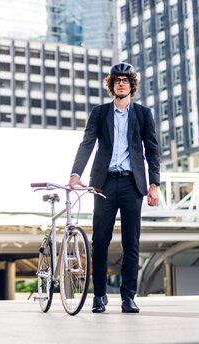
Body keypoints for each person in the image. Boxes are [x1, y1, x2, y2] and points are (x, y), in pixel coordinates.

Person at [68, 62, 160, 313]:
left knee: (132, 242)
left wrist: (154, 184)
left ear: (132, 85)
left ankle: (128, 296)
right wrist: (76, 175)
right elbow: (87, 143)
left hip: (132, 184)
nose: (121, 83)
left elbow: (152, 151)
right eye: (117, 80)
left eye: (126, 80)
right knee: (100, 241)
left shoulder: (143, 114)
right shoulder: (99, 113)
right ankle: (99, 296)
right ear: (112, 85)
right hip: (104, 184)